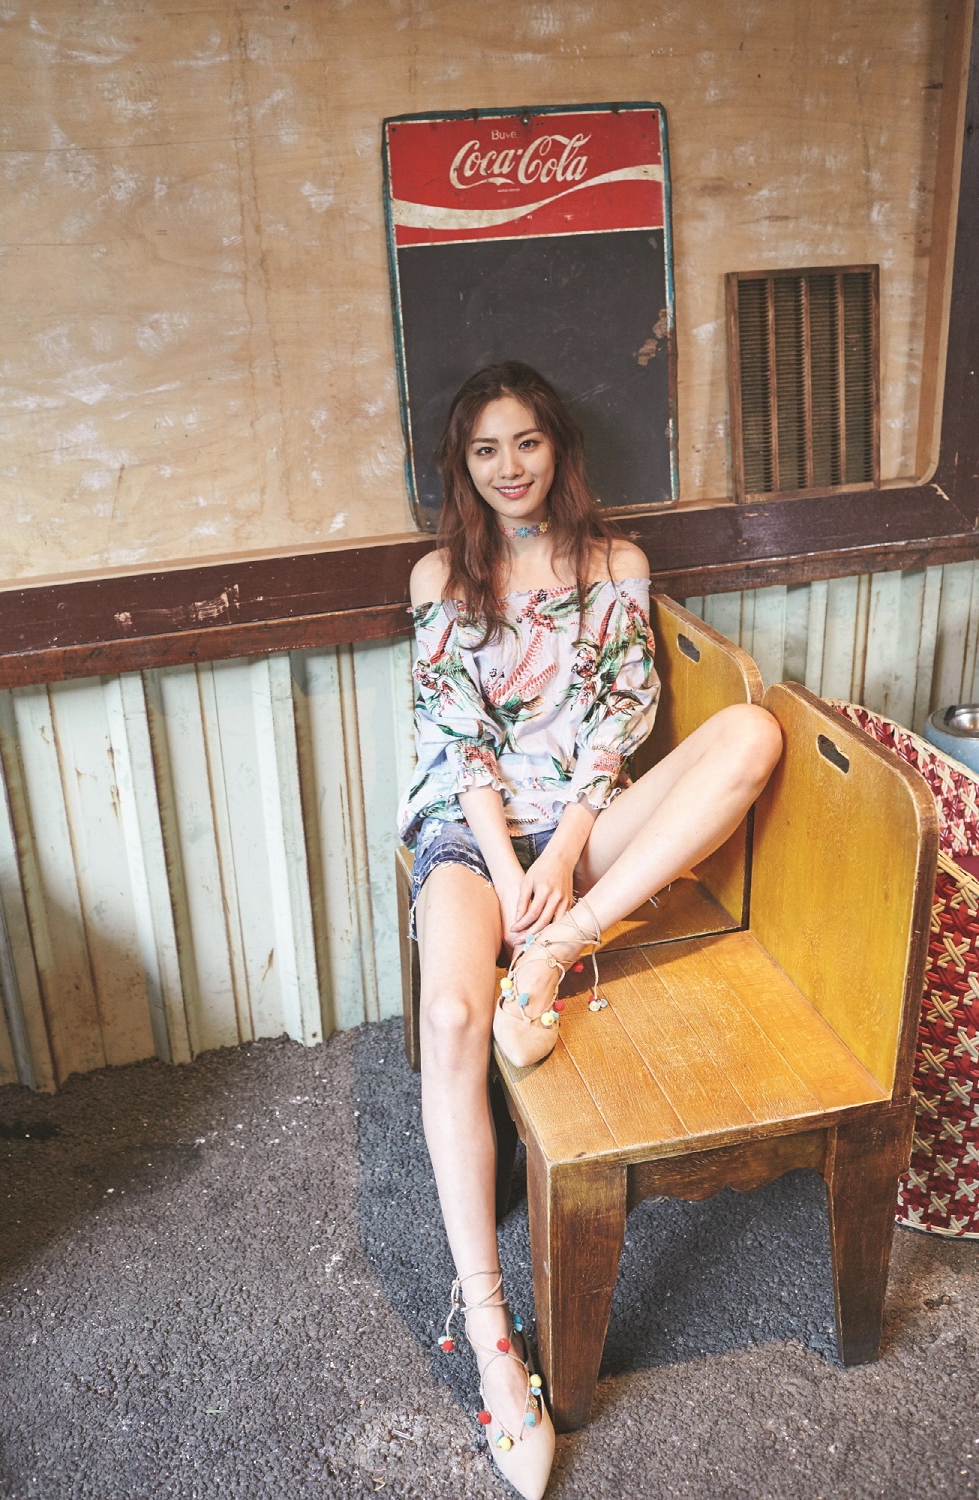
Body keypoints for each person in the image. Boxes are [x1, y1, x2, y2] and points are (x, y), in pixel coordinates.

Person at [396, 362, 782, 1499]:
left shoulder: (616, 566)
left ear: (557, 447)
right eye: (485, 450)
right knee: (455, 1014)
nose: (509, 467)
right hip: (472, 830)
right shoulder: (440, 578)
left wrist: (562, 870)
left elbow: (620, 719)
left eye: (526, 442)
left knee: (753, 736)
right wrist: (511, 870)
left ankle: (559, 955)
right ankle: (491, 1335)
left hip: (582, 826)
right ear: (462, 467)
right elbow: (459, 744)